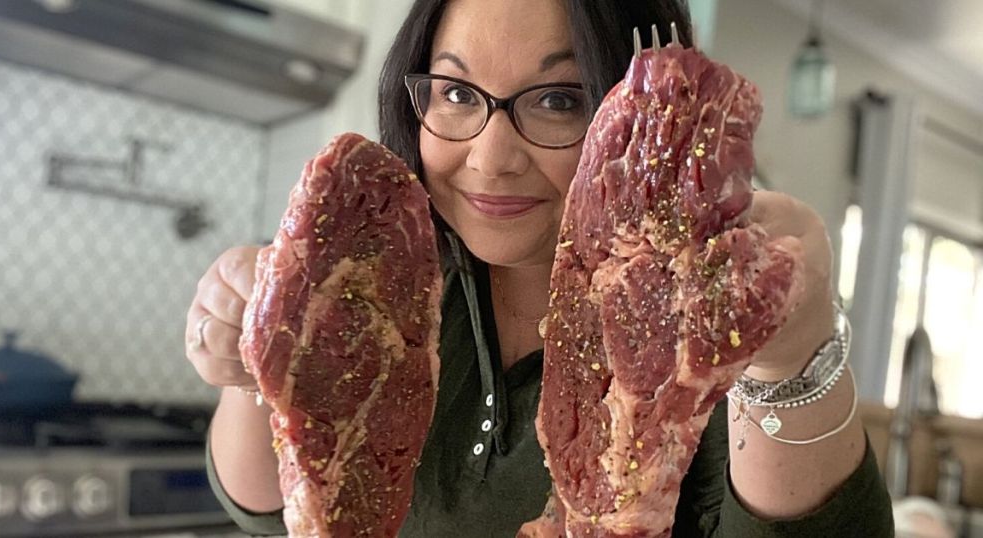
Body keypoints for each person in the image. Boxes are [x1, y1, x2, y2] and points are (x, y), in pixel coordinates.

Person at [184, 0, 895, 536]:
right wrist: (261, 352)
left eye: (560, 99)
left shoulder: (693, 324)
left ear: (635, 121)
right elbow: (266, 508)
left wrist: (790, 357)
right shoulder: (388, 285)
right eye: (458, 94)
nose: (491, 158)